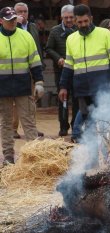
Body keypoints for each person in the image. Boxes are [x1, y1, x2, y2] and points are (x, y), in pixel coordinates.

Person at [58, 4, 110, 146]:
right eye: (79, 22)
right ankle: (90, 154)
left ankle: (106, 152)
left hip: (103, 88)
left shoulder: (104, 34)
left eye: (86, 21)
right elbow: (69, 66)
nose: (83, 25)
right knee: (87, 121)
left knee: (103, 121)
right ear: (75, 21)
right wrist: (63, 86)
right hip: (82, 89)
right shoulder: (71, 39)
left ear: (91, 18)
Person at [0, 7, 44, 165]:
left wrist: (39, 82)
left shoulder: (26, 36)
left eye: (13, 19)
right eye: (8, 20)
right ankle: (8, 158)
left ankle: (35, 158)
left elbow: (35, 62)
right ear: (1, 21)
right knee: (5, 124)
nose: (12, 22)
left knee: (29, 122)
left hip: (23, 87)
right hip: (2, 89)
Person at [45, 4, 79, 137]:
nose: (69, 20)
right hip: (61, 70)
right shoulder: (55, 31)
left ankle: (75, 124)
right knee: (63, 99)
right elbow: (48, 49)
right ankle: (63, 126)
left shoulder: (79, 30)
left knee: (77, 98)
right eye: (66, 17)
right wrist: (58, 58)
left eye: (71, 17)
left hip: (77, 70)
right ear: (61, 17)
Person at [13, 2, 44, 139]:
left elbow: (37, 47)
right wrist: (18, 24)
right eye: (19, 12)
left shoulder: (32, 26)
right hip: (16, 72)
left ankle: (31, 129)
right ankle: (13, 129)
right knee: (14, 101)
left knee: (32, 100)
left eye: (25, 11)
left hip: (32, 69)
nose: (22, 14)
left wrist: (40, 65)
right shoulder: (10, 28)